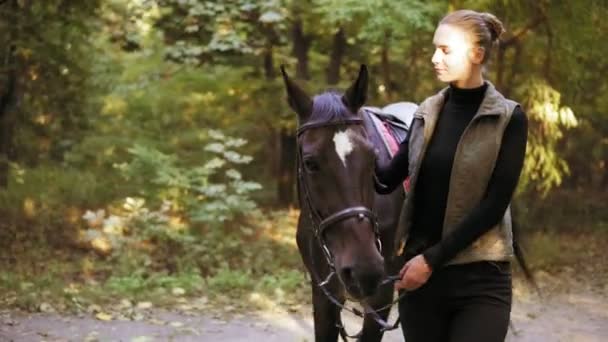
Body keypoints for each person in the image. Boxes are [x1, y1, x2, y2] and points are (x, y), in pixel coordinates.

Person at [374, 9, 528, 342]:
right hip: (420, 282)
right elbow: (385, 178)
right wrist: (347, 139)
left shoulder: (508, 118)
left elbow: (494, 204)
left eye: (445, 50)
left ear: (477, 54)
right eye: (434, 48)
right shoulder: (425, 112)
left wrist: (430, 261)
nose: (434, 58)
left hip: (480, 280)